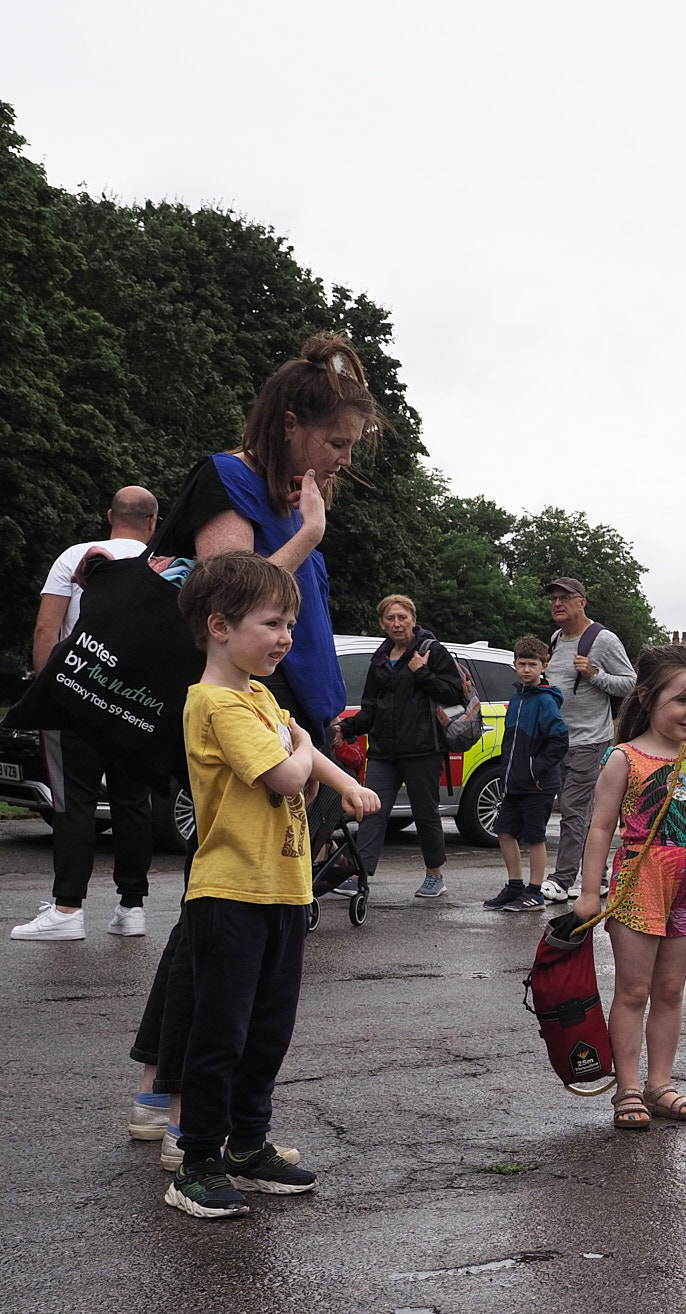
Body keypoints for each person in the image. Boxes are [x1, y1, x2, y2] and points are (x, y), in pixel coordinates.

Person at [129, 332, 386, 1160]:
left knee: (241, 931)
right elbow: (226, 598)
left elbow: (289, 621)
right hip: (240, 726)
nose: (343, 460)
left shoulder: (283, 488)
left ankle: (175, 1103)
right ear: (290, 426)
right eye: (336, 443)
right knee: (219, 924)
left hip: (287, 718)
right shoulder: (228, 480)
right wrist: (307, 535)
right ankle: (177, 1112)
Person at [163, 551, 379, 1218]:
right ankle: (196, 1161)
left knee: (267, 1033)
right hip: (229, 893)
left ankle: (247, 1147)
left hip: (285, 890)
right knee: (219, 1034)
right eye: (272, 623)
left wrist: (338, 780)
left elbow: (307, 752)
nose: (287, 636)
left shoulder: (260, 697)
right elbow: (290, 772)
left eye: (290, 622)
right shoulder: (217, 702)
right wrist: (305, 754)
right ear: (220, 626)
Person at [573, 643, 686, 1130]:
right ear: (649, 699)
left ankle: (660, 1085)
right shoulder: (624, 759)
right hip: (639, 881)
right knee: (633, 990)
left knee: (670, 989)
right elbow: (600, 829)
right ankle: (628, 1089)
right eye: (683, 701)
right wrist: (591, 892)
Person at [12, 487, 161, 944]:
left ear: (110, 515)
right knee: (133, 802)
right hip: (137, 700)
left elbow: (47, 627)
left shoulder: (77, 556)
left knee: (73, 802)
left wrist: (46, 688)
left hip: (79, 692)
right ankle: (131, 907)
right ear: (154, 522)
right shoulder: (166, 563)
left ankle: (67, 908)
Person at [336, 595, 466, 897]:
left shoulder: (431, 652)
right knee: (370, 810)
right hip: (384, 750)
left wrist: (422, 673)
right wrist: (345, 727)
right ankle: (360, 875)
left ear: (413, 619)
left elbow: (453, 693)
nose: (397, 623)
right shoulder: (380, 658)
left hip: (423, 748)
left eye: (402, 617)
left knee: (425, 813)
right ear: (382, 623)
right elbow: (370, 708)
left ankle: (435, 875)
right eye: (391, 619)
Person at [539, 577, 636, 903]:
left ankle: (562, 880)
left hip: (590, 740)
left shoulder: (602, 639)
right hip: (558, 739)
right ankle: (600, 878)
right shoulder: (556, 639)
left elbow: (629, 683)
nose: (557, 603)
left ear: (582, 601)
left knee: (573, 811)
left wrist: (595, 675)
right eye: (553, 598)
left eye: (564, 597)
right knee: (584, 812)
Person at [485, 636, 569, 913]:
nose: (526, 670)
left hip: (538, 784)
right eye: (522, 664)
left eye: (533, 664)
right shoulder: (516, 698)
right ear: (514, 665)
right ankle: (515, 886)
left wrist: (534, 769)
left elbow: (559, 741)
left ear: (544, 666)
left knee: (535, 837)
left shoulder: (545, 701)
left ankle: (535, 892)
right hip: (513, 783)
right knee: (504, 831)